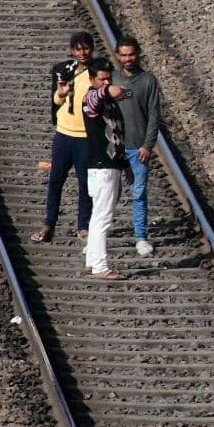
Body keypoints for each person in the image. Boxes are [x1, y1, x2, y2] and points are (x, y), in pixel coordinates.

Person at [32, 32, 94, 243]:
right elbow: (56, 101)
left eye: (86, 48)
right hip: (64, 133)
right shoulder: (63, 71)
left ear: (92, 50)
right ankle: (49, 223)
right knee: (56, 179)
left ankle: (83, 225)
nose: (82, 53)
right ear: (72, 50)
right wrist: (61, 93)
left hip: (85, 136)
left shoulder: (98, 72)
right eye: (78, 49)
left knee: (85, 182)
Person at [81, 58, 133, 279]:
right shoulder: (91, 99)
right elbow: (95, 97)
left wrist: (125, 164)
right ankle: (101, 266)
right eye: (102, 79)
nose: (107, 82)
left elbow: (116, 136)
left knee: (98, 216)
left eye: (109, 78)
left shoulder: (109, 103)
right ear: (92, 79)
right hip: (102, 167)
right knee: (103, 217)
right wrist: (108, 89)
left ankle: (92, 260)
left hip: (109, 165)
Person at [112, 37, 162, 257]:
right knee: (109, 193)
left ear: (138, 54)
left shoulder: (148, 81)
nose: (127, 59)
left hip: (137, 148)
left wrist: (147, 145)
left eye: (131, 54)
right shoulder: (111, 79)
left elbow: (154, 114)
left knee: (139, 193)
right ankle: (98, 237)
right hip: (113, 148)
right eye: (123, 55)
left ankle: (141, 237)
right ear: (117, 56)